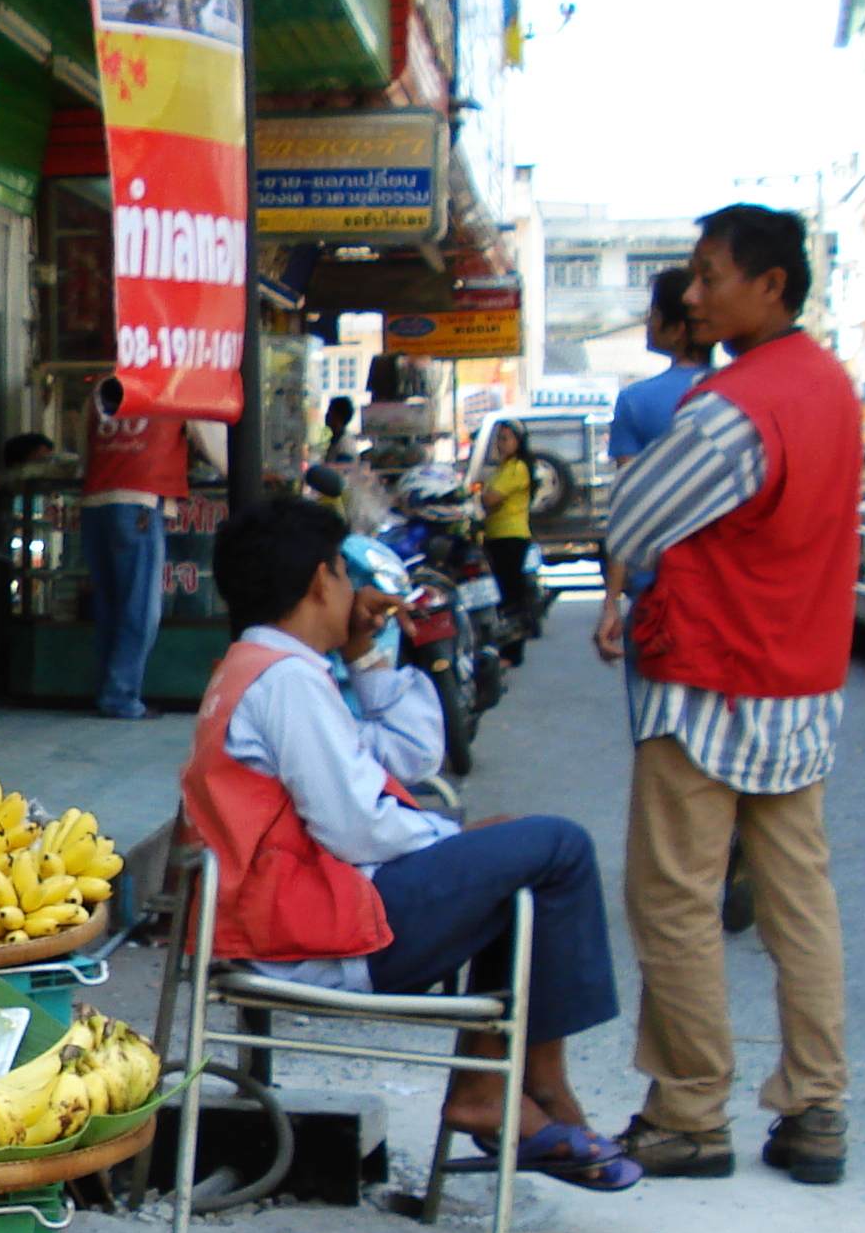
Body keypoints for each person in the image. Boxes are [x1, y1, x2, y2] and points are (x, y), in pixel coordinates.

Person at [178, 498, 640, 1189]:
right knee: (560, 848)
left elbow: (410, 756)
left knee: (517, 865)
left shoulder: (260, 667)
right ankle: (541, 1091)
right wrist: (449, 839)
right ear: (319, 581)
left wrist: (366, 658)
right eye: (341, 571)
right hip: (312, 931)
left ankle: (502, 1093)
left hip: (296, 913)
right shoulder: (285, 682)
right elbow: (356, 824)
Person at [602, 205, 858, 1187]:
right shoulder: (830, 387)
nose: (694, 296)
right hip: (802, 682)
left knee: (674, 898)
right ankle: (818, 1104)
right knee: (801, 901)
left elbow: (634, 517)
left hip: (712, 679)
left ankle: (689, 1111)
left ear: (772, 286)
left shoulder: (736, 405)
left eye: (710, 277)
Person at [593, 266, 717, 663]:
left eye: (653, 314)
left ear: (678, 328)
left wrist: (611, 601)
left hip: (659, 594)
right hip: (726, 595)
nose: (648, 323)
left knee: (659, 721)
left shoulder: (636, 401)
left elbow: (628, 506)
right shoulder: (742, 392)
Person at [81, 383, 188, 718]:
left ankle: (107, 689)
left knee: (109, 604)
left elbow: (82, 447)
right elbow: (215, 444)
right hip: (140, 502)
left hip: (95, 499)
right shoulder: (174, 388)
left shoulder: (99, 389)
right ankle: (120, 696)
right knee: (139, 608)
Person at [470, 419, 538, 659]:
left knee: (510, 594)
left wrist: (480, 496)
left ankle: (513, 651)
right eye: (498, 438)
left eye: (505, 438)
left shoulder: (516, 468)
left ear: (518, 442)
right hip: (497, 535)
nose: (500, 443)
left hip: (511, 536)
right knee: (504, 591)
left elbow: (491, 499)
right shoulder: (504, 467)